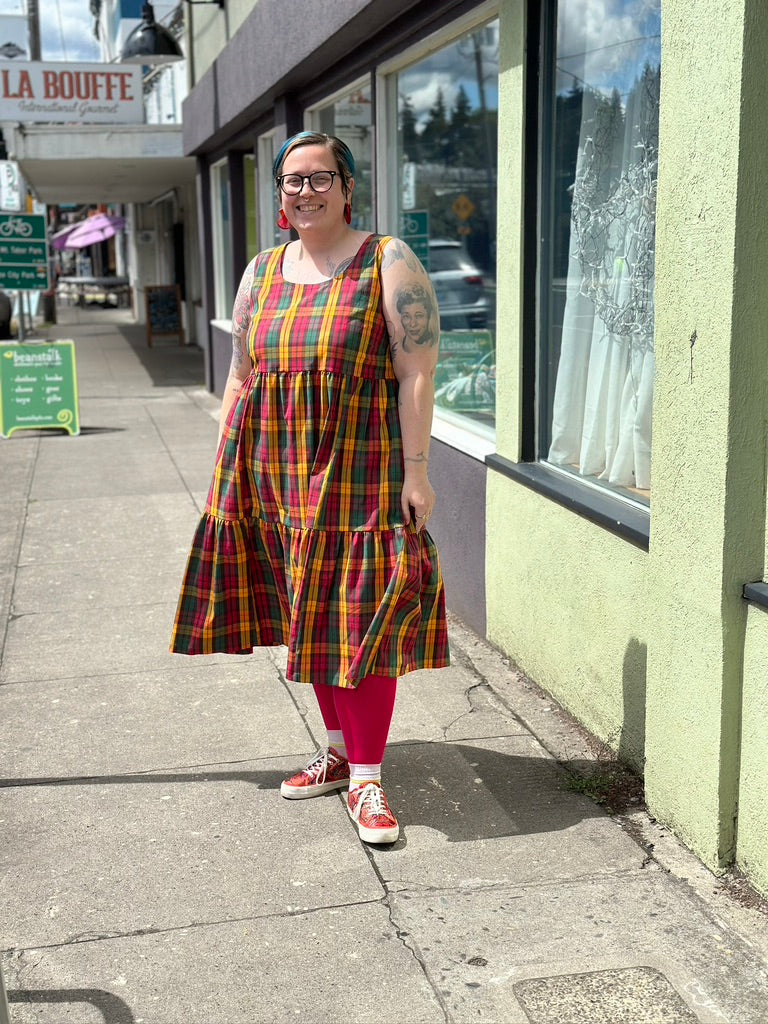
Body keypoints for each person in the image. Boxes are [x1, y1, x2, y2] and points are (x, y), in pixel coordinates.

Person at [171, 132, 449, 844]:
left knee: (358, 621)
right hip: (270, 475)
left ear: (347, 186)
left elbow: (417, 370)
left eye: (318, 178)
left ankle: (367, 779)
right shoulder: (260, 271)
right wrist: (223, 464)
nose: (303, 192)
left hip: (359, 472)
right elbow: (241, 372)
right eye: (291, 182)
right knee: (309, 616)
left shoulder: (386, 260)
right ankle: (335, 752)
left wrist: (418, 472)